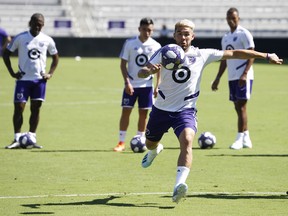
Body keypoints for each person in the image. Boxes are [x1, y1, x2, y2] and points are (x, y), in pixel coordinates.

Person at [138, 19, 282, 203]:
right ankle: (155, 150)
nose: (183, 37)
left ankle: (178, 186)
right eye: (180, 34)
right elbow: (143, 70)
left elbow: (235, 53)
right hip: (161, 109)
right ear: (174, 35)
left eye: (187, 34)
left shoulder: (202, 54)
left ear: (193, 36)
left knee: (188, 140)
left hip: (186, 110)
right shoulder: (165, 52)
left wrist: (266, 55)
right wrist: (148, 72)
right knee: (149, 143)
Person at [3, 13, 59, 149]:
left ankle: (32, 137)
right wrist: (11, 72)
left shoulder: (47, 40)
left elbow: (55, 57)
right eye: (36, 23)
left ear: (43, 25)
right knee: (19, 108)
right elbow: (6, 54)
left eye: (40, 24)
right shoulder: (21, 37)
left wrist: (50, 74)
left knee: (36, 109)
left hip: (39, 81)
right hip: (23, 81)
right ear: (30, 23)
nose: (38, 26)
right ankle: (17, 138)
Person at [113, 17, 161, 152]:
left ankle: (140, 139)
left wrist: (158, 85)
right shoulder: (130, 43)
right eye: (144, 29)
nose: (147, 32)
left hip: (147, 86)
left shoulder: (156, 46)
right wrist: (127, 82)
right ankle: (121, 142)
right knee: (126, 111)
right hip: (131, 85)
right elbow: (123, 64)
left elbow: (159, 68)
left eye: (150, 30)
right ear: (139, 29)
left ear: (153, 30)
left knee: (143, 114)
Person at [211, 7, 255, 150]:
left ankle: (239, 138)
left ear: (238, 18)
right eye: (229, 18)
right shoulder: (226, 37)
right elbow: (224, 59)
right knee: (237, 107)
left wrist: (245, 73)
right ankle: (246, 136)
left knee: (241, 106)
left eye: (233, 18)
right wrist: (218, 78)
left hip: (243, 76)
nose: (231, 21)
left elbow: (252, 54)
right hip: (232, 77)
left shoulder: (244, 33)